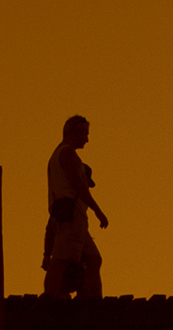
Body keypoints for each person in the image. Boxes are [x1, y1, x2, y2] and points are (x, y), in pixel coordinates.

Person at [43, 115, 109, 299]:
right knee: (61, 259)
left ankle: (95, 300)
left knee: (94, 259)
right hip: (70, 215)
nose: (87, 139)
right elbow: (79, 187)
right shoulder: (67, 154)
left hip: (76, 216)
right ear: (74, 132)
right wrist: (98, 211)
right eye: (85, 134)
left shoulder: (60, 154)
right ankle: (49, 299)